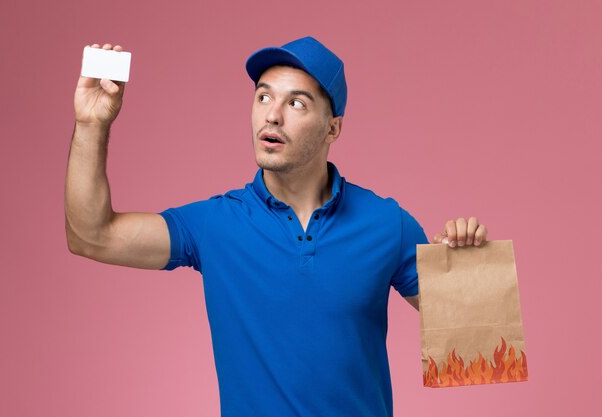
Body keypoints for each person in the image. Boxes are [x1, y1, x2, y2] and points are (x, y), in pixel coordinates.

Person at [66, 36, 488, 417]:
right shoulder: (216, 223)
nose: (272, 116)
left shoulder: (387, 224)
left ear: (333, 128)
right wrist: (91, 124)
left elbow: (475, 338)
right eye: (263, 97)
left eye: (297, 104)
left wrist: (469, 269)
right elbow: (92, 236)